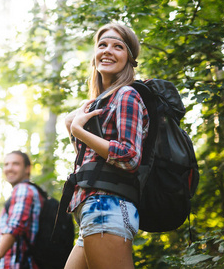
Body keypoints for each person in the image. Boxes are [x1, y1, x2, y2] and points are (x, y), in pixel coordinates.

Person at [63, 23, 149, 269]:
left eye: (118, 46)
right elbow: (95, 159)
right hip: (92, 210)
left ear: (129, 59)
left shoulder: (127, 95)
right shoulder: (99, 102)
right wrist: (72, 126)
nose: (108, 50)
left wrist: (78, 130)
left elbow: (130, 156)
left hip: (108, 207)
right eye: (102, 45)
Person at [0, 151, 43, 269]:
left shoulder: (23, 190)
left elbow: (13, 229)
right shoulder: (24, 192)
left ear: (27, 169)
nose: (9, 168)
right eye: (6, 164)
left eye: (15, 164)